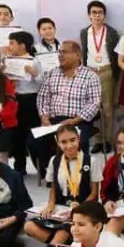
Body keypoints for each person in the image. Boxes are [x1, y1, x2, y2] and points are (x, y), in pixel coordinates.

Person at [6, 126, 100, 247]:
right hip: (62, 209)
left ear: (79, 139)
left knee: (62, 232)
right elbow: (53, 188)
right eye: (64, 142)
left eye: (72, 140)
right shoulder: (54, 161)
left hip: (83, 209)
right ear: (57, 142)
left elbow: (94, 194)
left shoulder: (90, 161)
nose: (69, 145)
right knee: (29, 227)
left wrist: (79, 208)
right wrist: (50, 205)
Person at [34, 41, 101, 177]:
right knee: (33, 140)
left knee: (79, 142)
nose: (60, 55)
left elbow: (94, 103)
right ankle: (51, 172)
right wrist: (44, 117)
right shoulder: (52, 73)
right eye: (59, 52)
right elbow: (43, 97)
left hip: (79, 121)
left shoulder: (90, 76)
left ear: (77, 55)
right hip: (53, 121)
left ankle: (80, 175)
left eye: (64, 52)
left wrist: (73, 121)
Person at [80, 0, 119, 153]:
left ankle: (107, 140)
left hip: (106, 70)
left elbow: (115, 55)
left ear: (104, 15)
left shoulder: (111, 32)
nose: (97, 16)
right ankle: (97, 140)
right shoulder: (85, 32)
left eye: (100, 13)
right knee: (92, 108)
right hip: (89, 71)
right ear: (89, 15)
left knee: (107, 108)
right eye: (94, 13)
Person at [6, 31, 42, 175]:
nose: (10, 46)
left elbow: (42, 82)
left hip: (31, 100)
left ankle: (40, 165)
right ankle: (19, 166)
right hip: (15, 100)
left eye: (12, 43)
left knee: (33, 134)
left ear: (22, 45)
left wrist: (34, 73)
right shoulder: (9, 61)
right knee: (16, 134)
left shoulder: (34, 60)